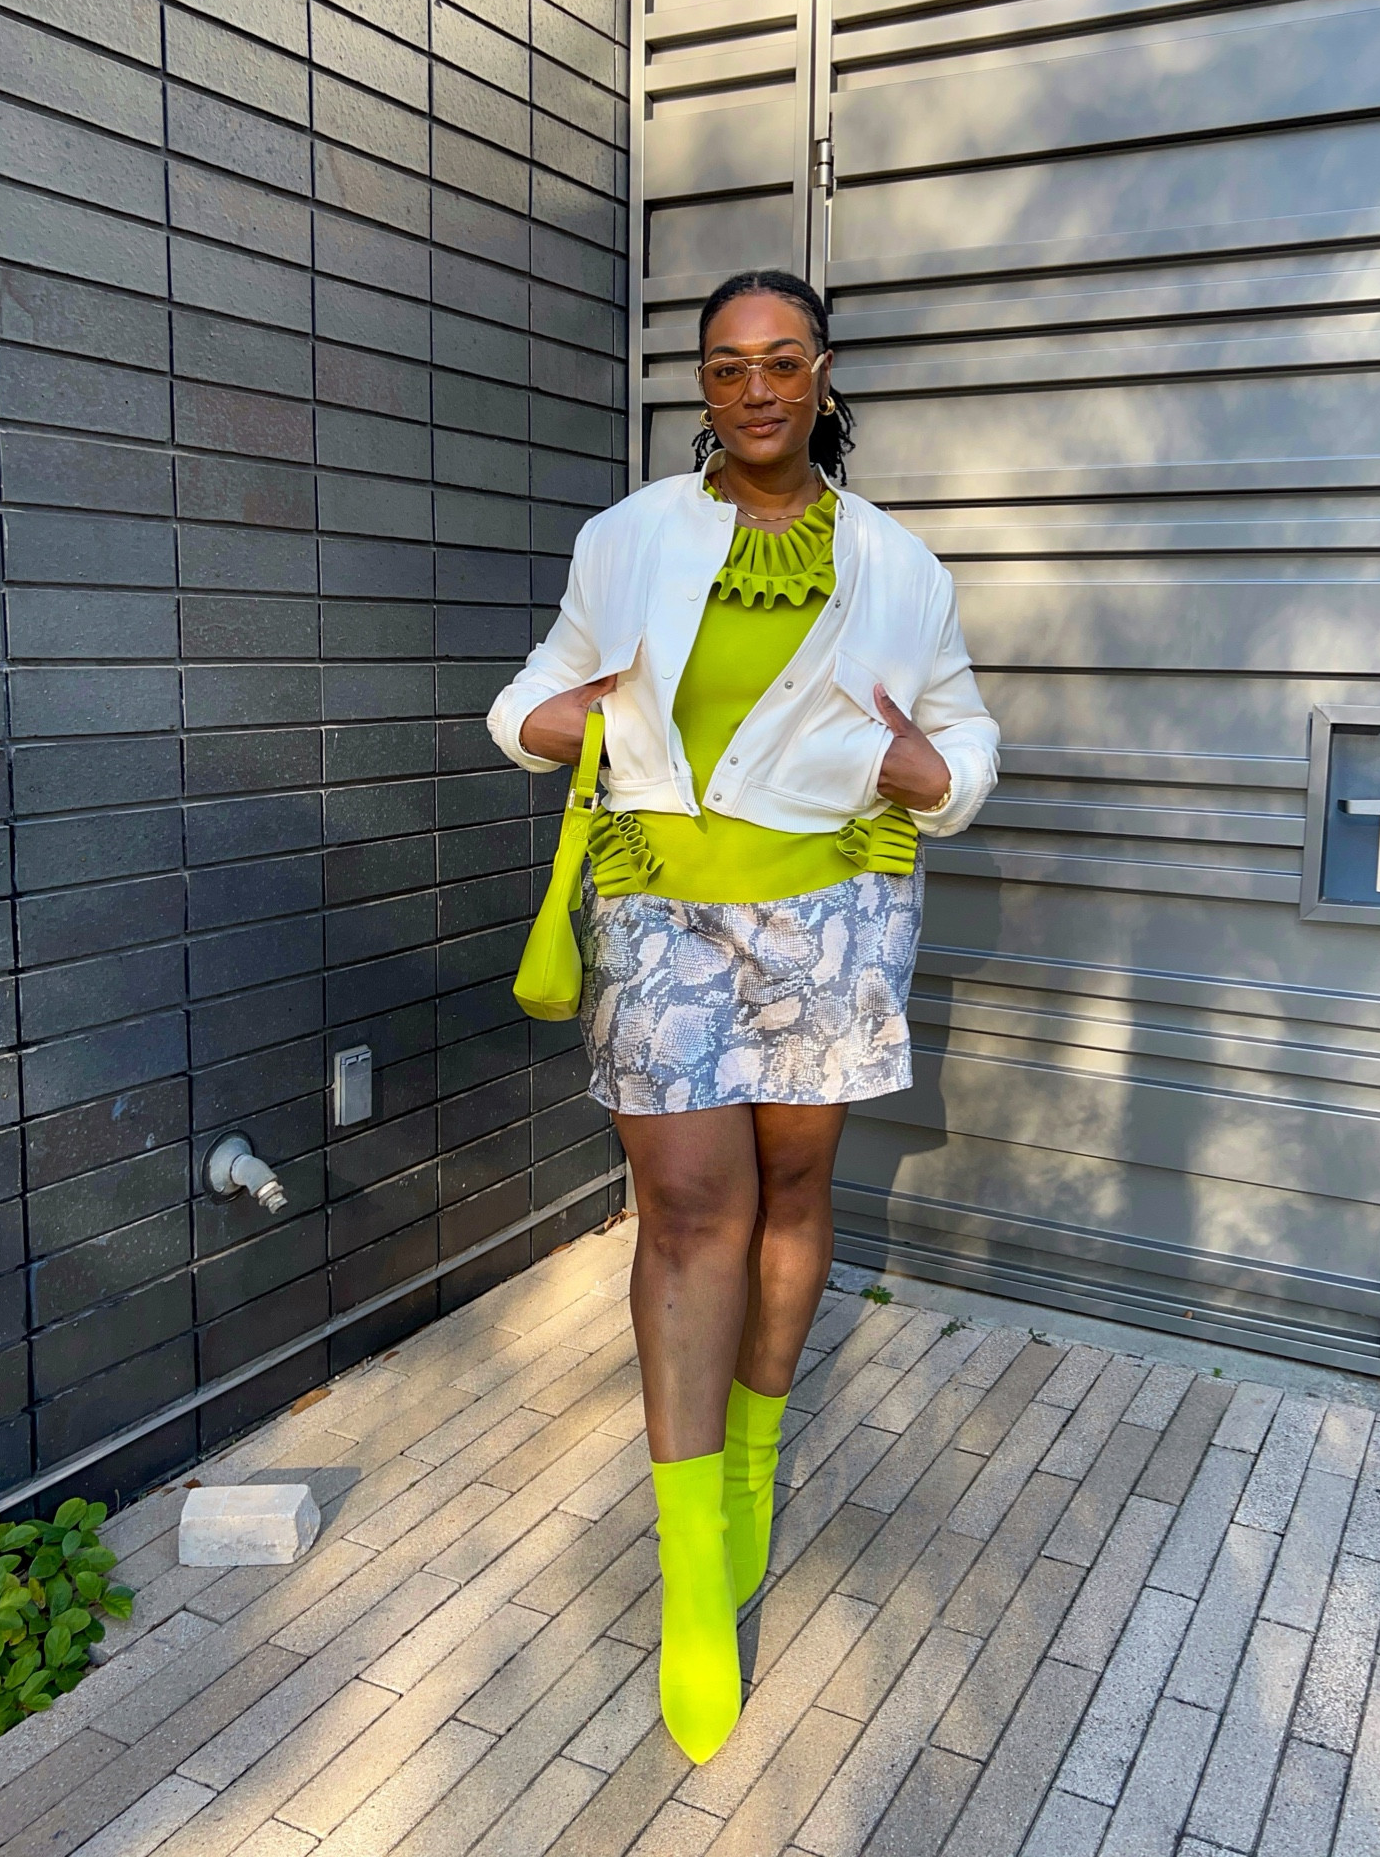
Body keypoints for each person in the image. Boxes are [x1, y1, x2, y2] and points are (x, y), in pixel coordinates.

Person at [488, 269, 1000, 1762]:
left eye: (782, 360)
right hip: (659, 909)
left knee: (792, 1187)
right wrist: (557, 722)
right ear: (702, 386)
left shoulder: (899, 566)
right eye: (727, 366)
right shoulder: (632, 537)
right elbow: (535, 692)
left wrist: (939, 776)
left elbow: (962, 729)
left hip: (834, 913)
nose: (756, 388)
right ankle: (689, 1562)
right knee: (688, 1208)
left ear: (822, 372)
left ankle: (752, 1465)